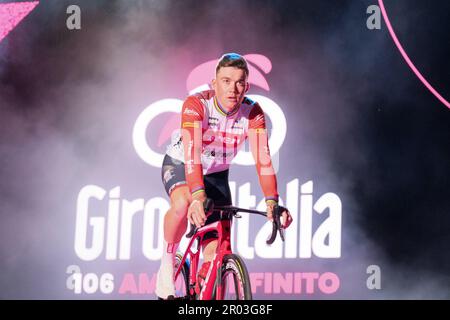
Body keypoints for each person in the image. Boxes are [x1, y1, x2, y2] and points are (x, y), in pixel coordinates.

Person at [156, 53, 293, 299]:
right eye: (226, 81)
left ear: (247, 86)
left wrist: (272, 201)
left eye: (240, 82)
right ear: (214, 83)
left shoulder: (253, 113)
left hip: (217, 175)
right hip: (182, 164)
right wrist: (198, 195)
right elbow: (192, 154)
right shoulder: (196, 104)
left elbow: (263, 161)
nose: (233, 89)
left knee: (218, 249)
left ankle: (202, 295)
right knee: (183, 203)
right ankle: (167, 263)